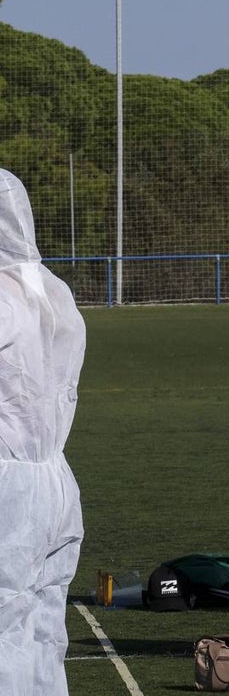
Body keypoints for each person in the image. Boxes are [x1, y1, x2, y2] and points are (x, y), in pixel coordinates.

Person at [0, 168, 85, 695]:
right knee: (44, 621)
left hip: (9, 483)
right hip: (56, 480)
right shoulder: (55, 289)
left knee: (6, 621)